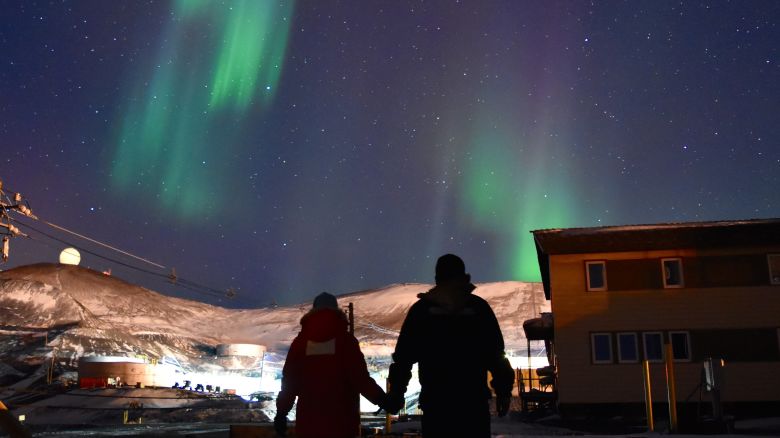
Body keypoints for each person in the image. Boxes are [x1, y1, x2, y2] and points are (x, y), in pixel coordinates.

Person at [385, 254, 515, 437]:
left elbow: (403, 358)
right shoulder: (479, 309)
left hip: (437, 406)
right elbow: (496, 355)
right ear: (463, 277)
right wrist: (503, 391)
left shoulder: (421, 312)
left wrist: (397, 393)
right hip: (473, 405)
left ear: (437, 279)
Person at [275, 292, 386, 438]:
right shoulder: (346, 342)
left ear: (312, 312)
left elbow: (290, 382)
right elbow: (360, 379)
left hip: (309, 425)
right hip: (343, 424)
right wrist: (382, 400)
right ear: (337, 311)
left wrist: (281, 413)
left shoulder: (300, 344)